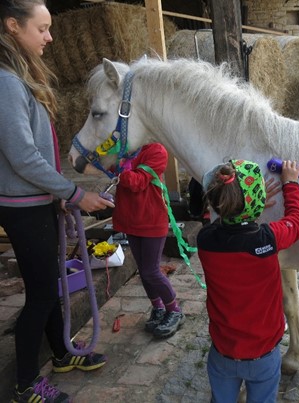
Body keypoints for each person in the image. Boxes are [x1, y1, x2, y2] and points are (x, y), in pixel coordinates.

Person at [0, 1, 113, 402]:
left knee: (49, 286)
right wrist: (75, 193)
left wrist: (58, 195)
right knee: (42, 294)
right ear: (13, 26)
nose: (50, 37)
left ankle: (63, 354)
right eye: (43, 29)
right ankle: (26, 384)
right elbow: (23, 156)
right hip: (23, 207)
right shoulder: (7, 84)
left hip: (38, 201)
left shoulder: (19, 79)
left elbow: (37, 156)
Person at [197, 159, 299, 403]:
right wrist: (290, 183)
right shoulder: (268, 239)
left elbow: (219, 219)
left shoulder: (205, 241)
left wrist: (240, 205)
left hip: (222, 355)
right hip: (264, 357)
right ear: (256, 203)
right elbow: (298, 222)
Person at [111, 143, 185, 338]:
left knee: (151, 270)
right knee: (143, 270)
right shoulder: (123, 151)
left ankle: (175, 310)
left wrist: (117, 167)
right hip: (131, 219)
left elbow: (137, 182)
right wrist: (112, 162)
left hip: (151, 218)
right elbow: (111, 169)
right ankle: (158, 307)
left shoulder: (157, 151)